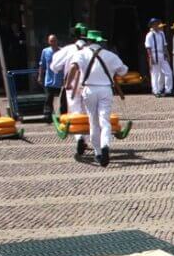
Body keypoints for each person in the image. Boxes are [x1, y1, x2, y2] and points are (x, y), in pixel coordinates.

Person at [65, 30, 127, 167]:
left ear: (88, 41)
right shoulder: (111, 55)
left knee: (93, 120)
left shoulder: (81, 54)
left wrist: (68, 83)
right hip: (105, 89)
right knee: (104, 120)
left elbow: (73, 67)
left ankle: (98, 153)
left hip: (89, 89)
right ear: (100, 42)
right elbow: (123, 71)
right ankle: (105, 145)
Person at [50, 23, 89, 156]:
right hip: (89, 83)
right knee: (88, 111)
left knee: (75, 111)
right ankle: (87, 139)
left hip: (71, 84)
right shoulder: (93, 49)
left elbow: (54, 66)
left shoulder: (68, 49)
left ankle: (79, 138)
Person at [38, 34, 64, 122]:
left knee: (63, 99)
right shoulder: (45, 51)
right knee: (49, 98)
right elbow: (42, 65)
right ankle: (47, 116)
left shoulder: (62, 51)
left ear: (57, 41)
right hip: (49, 79)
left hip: (60, 80)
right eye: (51, 41)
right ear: (49, 42)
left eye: (54, 40)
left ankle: (63, 115)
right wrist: (40, 76)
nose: (53, 42)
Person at [145, 18, 174, 97]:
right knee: (155, 74)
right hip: (154, 54)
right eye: (154, 24)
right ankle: (155, 90)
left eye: (157, 23)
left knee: (168, 72)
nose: (156, 25)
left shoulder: (161, 33)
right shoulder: (149, 35)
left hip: (162, 54)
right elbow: (148, 48)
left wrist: (167, 55)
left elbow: (164, 46)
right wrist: (151, 58)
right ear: (152, 25)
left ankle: (168, 90)